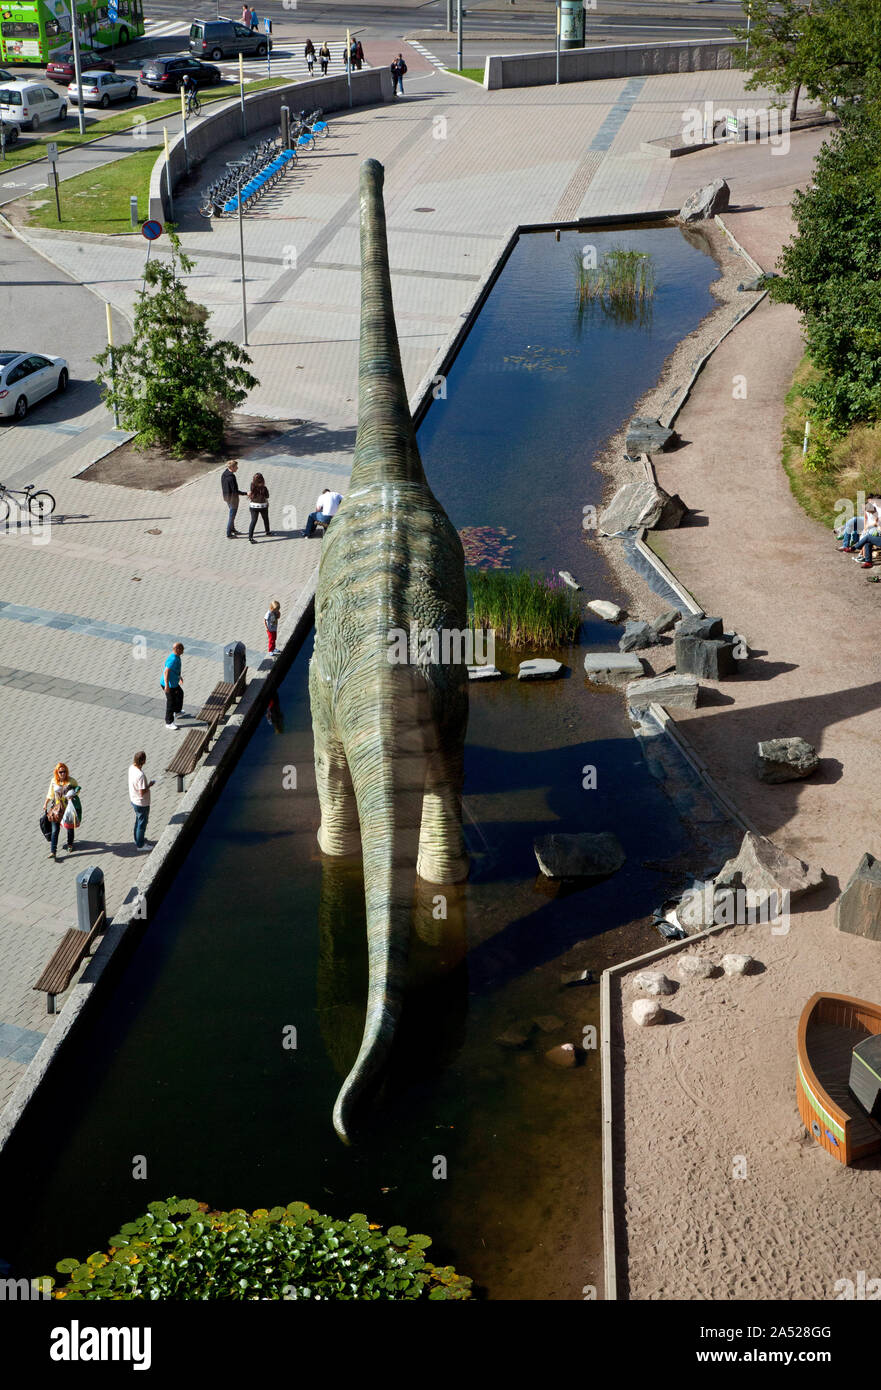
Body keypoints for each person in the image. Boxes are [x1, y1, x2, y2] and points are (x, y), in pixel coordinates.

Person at [43, 762, 81, 860]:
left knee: (69, 828)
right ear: (57, 772)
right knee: (55, 830)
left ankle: (70, 845)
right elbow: (50, 794)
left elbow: (77, 790)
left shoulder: (71, 781)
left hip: (68, 809)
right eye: (60, 772)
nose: (62, 774)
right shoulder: (53, 781)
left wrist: (73, 793)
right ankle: (53, 851)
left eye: (64, 771)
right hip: (57, 810)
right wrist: (45, 804)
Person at [129, 752, 155, 851]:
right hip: (141, 803)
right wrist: (149, 785)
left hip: (133, 800)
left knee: (138, 820)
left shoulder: (131, 768)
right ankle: (140, 845)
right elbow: (142, 792)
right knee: (142, 824)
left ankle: (137, 839)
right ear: (143, 761)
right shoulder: (140, 775)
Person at [160, 642, 185, 730]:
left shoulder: (177, 657)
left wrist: (179, 676)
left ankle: (177, 711)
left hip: (173, 683)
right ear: (177, 649)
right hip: (168, 685)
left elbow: (175, 669)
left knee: (180, 694)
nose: (183, 651)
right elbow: (166, 672)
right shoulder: (173, 659)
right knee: (170, 702)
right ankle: (169, 722)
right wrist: (167, 685)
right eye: (182, 649)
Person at [221, 459, 246, 538]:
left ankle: (232, 529)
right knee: (232, 516)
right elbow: (235, 491)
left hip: (227, 498)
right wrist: (245, 493)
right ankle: (229, 533)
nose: (237, 468)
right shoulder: (231, 477)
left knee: (232, 515)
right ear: (232, 467)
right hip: (233, 499)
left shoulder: (224, 474)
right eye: (236, 467)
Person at [248, 472, 271, 543]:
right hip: (262, 506)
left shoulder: (252, 485)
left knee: (253, 521)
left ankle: (250, 537)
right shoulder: (264, 488)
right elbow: (267, 496)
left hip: (253, 506)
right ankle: (267, 532)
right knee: (265, 519)